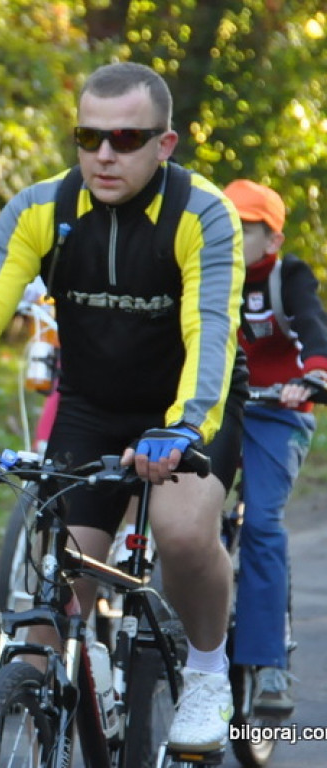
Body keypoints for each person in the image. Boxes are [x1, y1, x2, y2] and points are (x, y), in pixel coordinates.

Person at [0, 61, 247, 754]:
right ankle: (30, 718)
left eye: (126, 138)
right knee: (50, 612)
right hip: (92, 409)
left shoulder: (201, 212)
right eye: (89, 137)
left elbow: (209, 330)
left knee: (180, 535)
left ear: (165, 144)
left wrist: (182, 429)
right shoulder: (41, 209)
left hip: (186, 409)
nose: (105, 154)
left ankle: (209, 671)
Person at [223, 179, 327, 714]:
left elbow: (313, 329)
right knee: (181, 517)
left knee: (262, 524)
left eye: (245, 227)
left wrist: (312, 377)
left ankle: (269, 668)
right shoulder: (206, 274)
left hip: (278, 412)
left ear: (272, 239)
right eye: (226, 222)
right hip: (220, 410)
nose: (232, 234)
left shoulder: (290, 277)